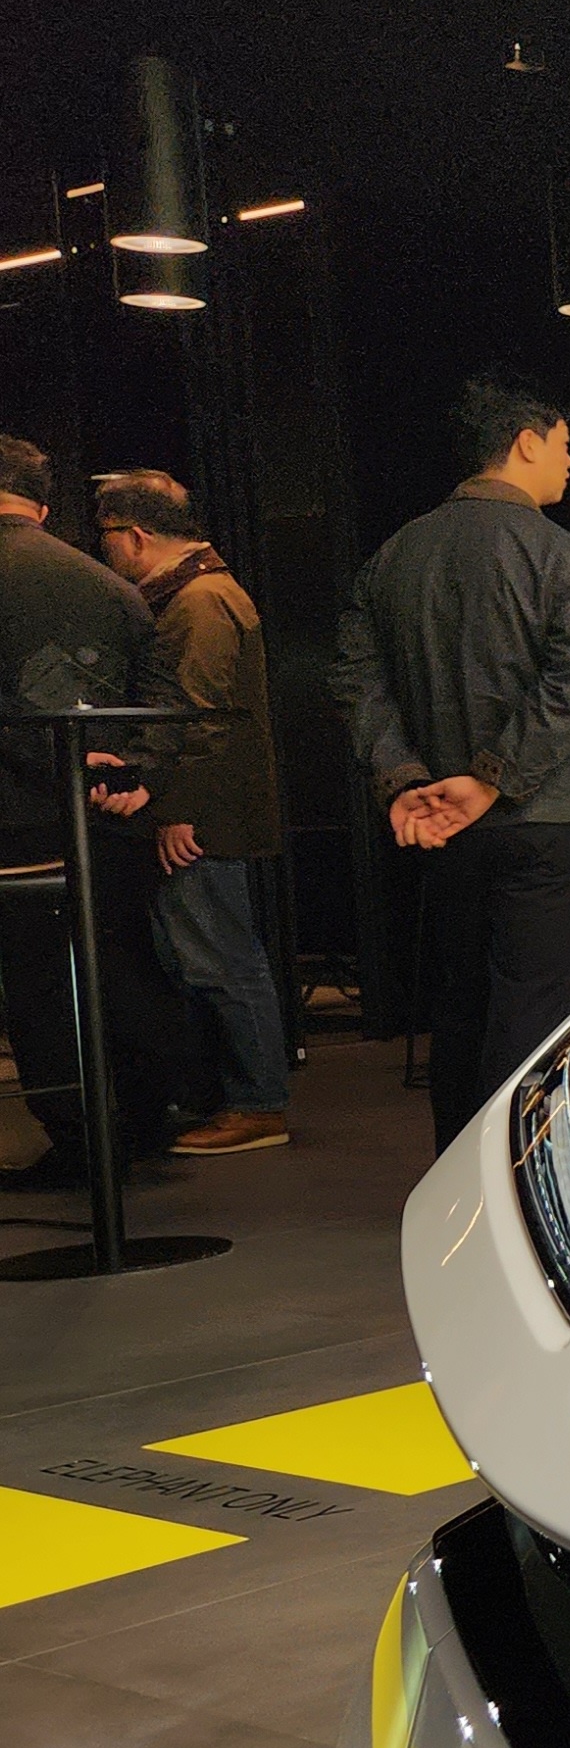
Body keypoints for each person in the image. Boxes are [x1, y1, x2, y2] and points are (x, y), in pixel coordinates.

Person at [330, 373, 570, 1149]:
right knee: (532, 1014)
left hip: (443, 826)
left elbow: (356, 679)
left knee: (460, 1008)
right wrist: (494, 779)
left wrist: (405, 779)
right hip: (551, 818)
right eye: (563, 445)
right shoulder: (566, 557)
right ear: (526, 443)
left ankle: (455, 1182)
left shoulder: (393, 556)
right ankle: (513, 1182)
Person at [0, 433, 189, 1188]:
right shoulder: (111, 587)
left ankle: (80, 1140)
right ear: (45, 507)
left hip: (17, 823)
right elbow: (165, 699)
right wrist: (136, 770)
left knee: (37, 990)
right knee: (122, 965)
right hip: (111, 812)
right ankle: (149, 1118)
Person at [96, 473, 290, 1156]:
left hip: (205, 815)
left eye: (107, 536)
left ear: (136, 536)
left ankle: (259, 1104)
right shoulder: (196, 593)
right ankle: (233, 1096)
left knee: (222, 959)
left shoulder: (201, 600)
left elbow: (202, 719)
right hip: (203, 808)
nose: (103, 550)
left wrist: (178, 810)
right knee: (203, 956)